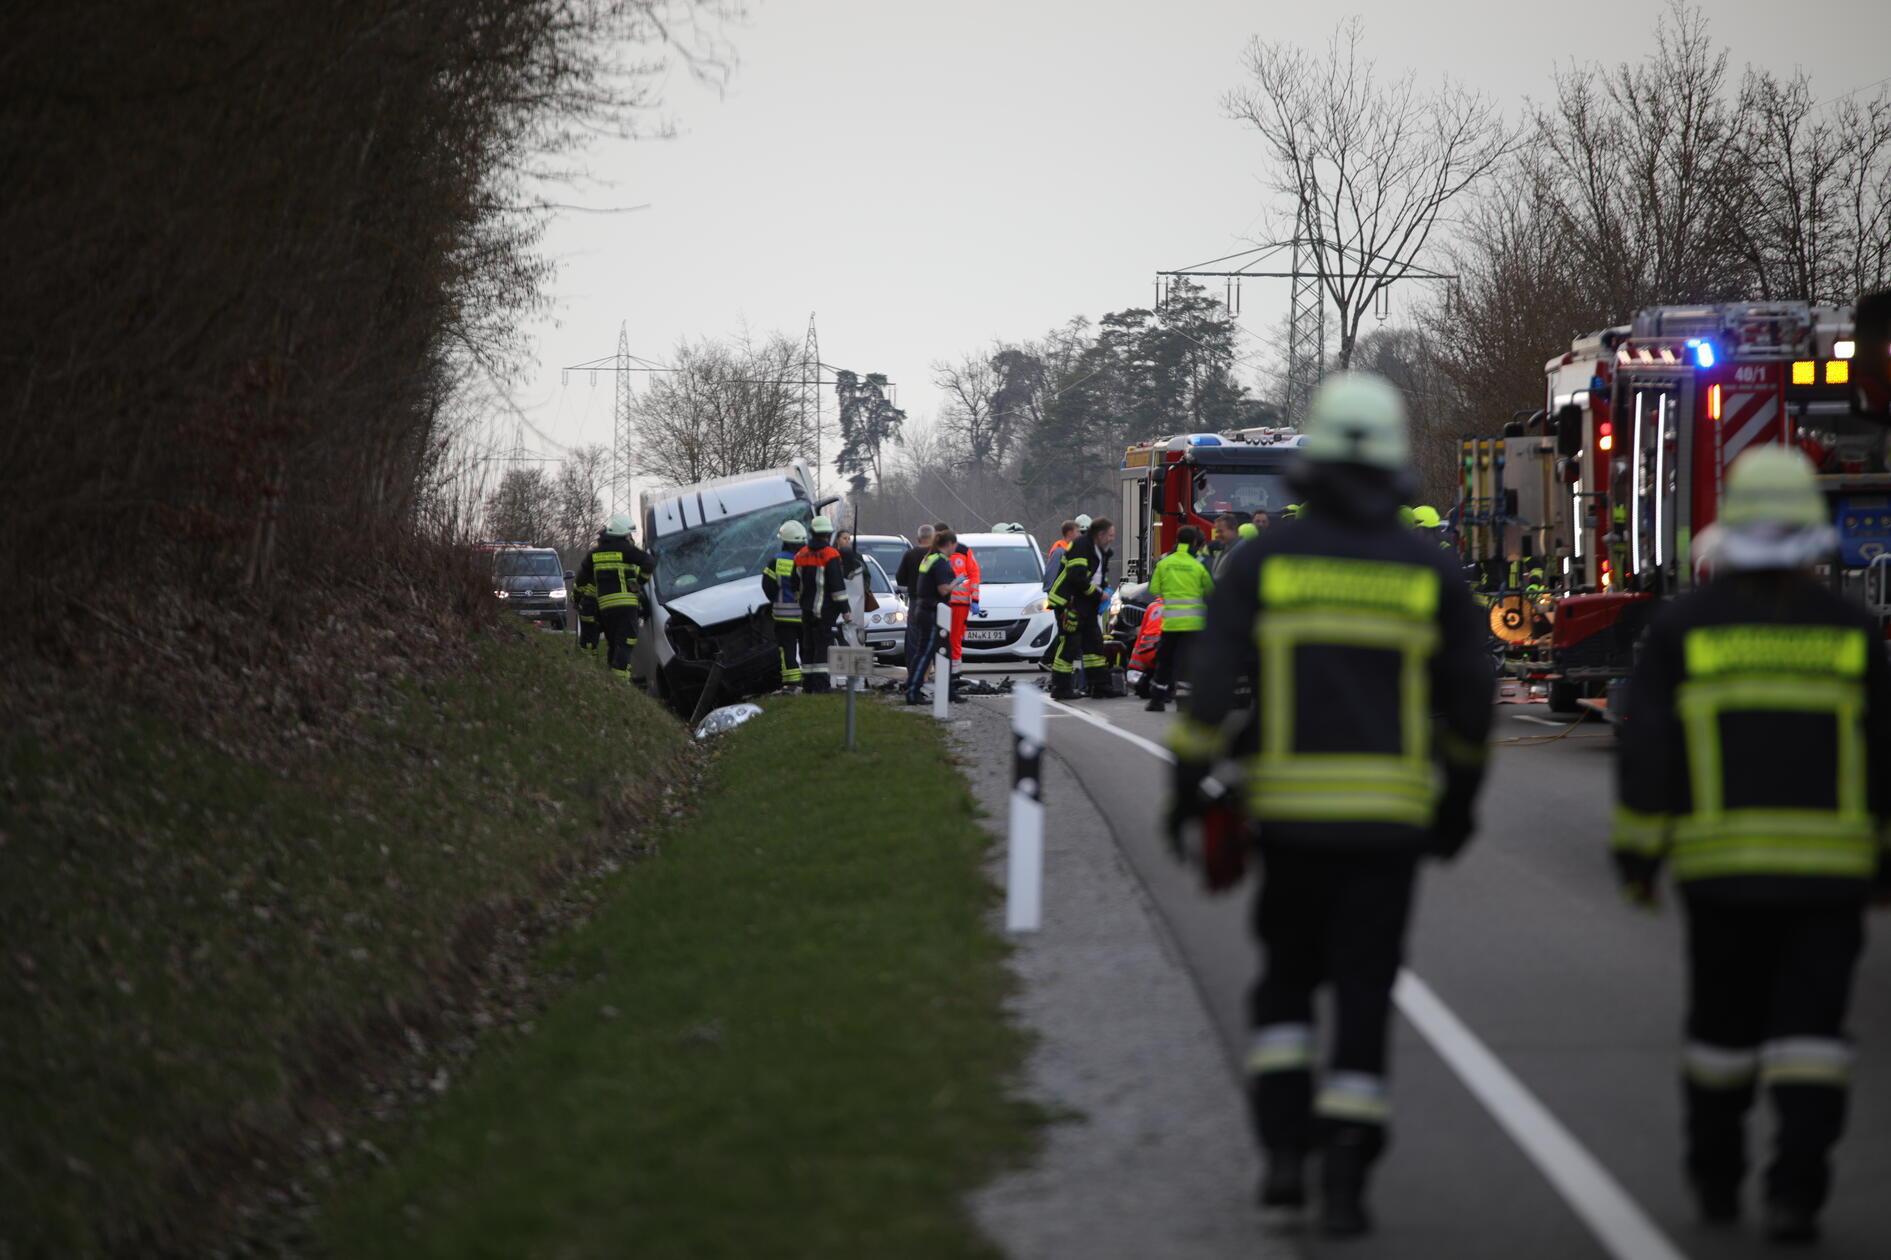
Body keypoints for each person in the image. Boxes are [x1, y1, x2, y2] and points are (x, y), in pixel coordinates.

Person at [1164, 373, 1492, 1237]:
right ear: (1391, 462)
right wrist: (1457, 802)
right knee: (1361, 991)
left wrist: (1182, 792)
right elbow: (1469, 701)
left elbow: (1204, 692)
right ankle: (1346, 1175)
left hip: (1289, 819)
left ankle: (1281, 1157)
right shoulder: (1427, 569)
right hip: (1387, 826)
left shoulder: (1264, 561)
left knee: (1285, 987)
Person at [1612, 447, 1889, 1242]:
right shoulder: (1849, 630)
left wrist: (1638, 855)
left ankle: (1715, 1179)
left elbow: (1648, 751)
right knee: (1812, 1039)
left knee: (1721, 1035)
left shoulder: (1685, 627)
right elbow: (1881, 750)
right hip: (1828, 876)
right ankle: (1796, 1192)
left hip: (1719, 873)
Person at [575, 513, 655, 686]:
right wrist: (639, 582)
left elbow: (581, 581)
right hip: (626, 606)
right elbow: (649, 562)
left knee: (613, 643)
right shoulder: (626, 550)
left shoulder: (594, 554)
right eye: (629, 535)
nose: (630, 538)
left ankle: (611, 680)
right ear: (622, 534)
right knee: (625, 643)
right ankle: (620, 684)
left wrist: (577, 601)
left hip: (605, 609)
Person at [1047, 517, 1119, 700]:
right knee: (1070, 644)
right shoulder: (1081, 546)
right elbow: (1077, 577)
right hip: (1068, 602)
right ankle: (1061, 687)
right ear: (1100, 534)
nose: (1112, 539)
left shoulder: (1101, 551)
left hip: (1086, 604)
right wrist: (1098, 594)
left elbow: (1098, 576)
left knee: (1094, 643)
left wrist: (1103, 591)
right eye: (1110, 535)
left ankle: (1099, 685)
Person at [1145, 525, 1213, 713]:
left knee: (1165, 661)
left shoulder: (1165, 562)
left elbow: (1153, 589)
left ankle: (1156, 700)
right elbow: (1210, 589)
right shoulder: (1199, 563)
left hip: (1172, 623)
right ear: (1194, 542)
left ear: (1177, 539)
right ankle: (1187, 701)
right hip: (1194, 623)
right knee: (1190, 661)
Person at [794, 515, 850, 694]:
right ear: (828, 534)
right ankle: (821, 686)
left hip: (806, 611)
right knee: (822, 649)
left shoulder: (800, 554)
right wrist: (845, 609)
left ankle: (808, 685)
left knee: (808, 647)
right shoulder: (830, 554)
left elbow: (794, 583)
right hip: (824, 611)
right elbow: (837, 586)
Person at [905, 529, 959, 705]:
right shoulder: (941, 562)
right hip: (932, 612)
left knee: (943, 654)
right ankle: (912, 692)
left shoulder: (929, 557)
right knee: (925, 653)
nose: (955, 548)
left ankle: (948, 691)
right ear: (950, 544)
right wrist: (956, 583)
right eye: (954, 545)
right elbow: (943, 589)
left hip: (923, 610)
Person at [760, 520, 807, 691]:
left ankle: (791, 683)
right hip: (806, 615)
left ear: (785, 540)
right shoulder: (809, 559)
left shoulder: (777, 561)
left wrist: (776, 600)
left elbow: (768, 586)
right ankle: (809, 679)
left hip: (783, 616)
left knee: (787, 649)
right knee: (807, 647)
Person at [943, 524, 982, 702]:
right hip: (943, 603)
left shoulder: (965, 551)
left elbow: (974, 575)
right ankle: (947, 672)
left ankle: (955, 674)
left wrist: (975, 599)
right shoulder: (938, 553)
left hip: (959, 603)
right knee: (944, 640)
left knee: (956, 639)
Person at [895, 524, 936, 674]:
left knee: (914, 638)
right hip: (933, 602)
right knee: (934, 637)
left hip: (914, 602)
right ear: (933, 538)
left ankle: (914, 671)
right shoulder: (936, 556)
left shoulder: (910, 555)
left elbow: (900, 579)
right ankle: (931, 670)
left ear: (918, 538)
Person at [575, 529, 603, 653]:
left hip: (591, 602)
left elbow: (581, 580)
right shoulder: (620, 553)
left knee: (589, 632)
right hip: (605, 603)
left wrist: (576, 598)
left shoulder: (594, 555)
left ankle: (588, 653)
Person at [1045, 520, 1078, 590]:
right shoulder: (1059, 552)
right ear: (1070, 533)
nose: (1079, 534)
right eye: (1077, 532)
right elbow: (1051, 575)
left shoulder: (1069, 550)